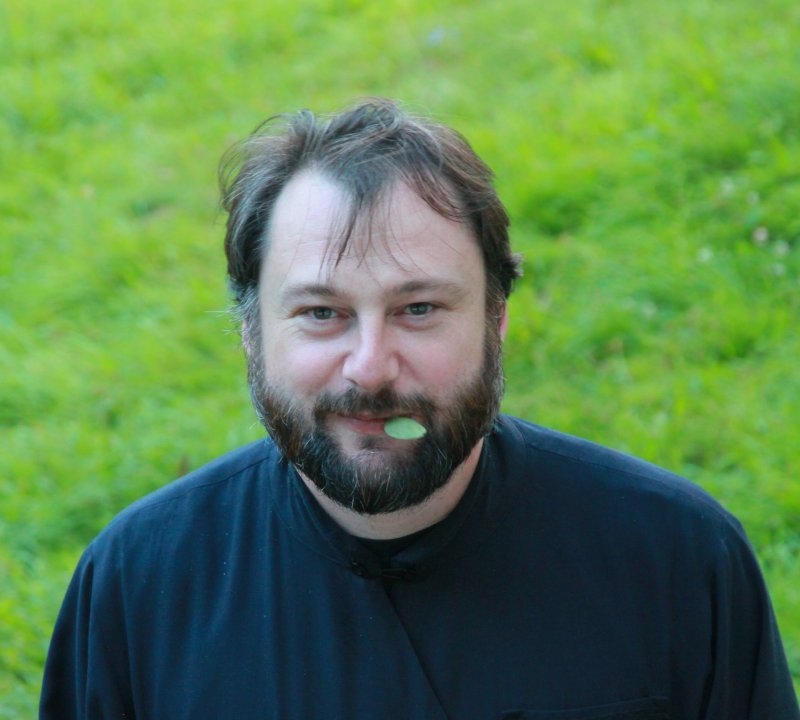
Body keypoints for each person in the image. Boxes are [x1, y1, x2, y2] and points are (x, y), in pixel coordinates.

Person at [40, 98, 799, 719]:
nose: (370, 368)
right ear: (251, 334)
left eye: (419, 308)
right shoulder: (137, 588)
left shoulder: (678, 562)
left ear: (497, 320)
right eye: (321, 313)